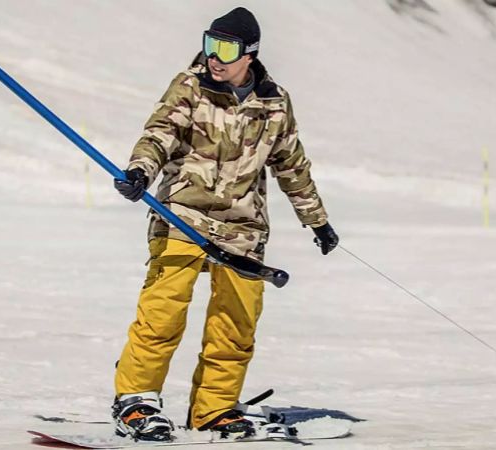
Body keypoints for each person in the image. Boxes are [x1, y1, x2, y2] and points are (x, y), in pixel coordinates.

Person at [110, 7, 339, 441]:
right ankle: (136, 401)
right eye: (209, 44)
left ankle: (214, 409)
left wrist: (317, 221)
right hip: (182, 215)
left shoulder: (274, 103)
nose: (214, 57)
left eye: (226, 49)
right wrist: (141, 170)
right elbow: (159, 133)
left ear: (249, 55)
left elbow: (291, 164)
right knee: (162, 314)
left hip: (243, 227)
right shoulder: (190, 87)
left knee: (235, 323)